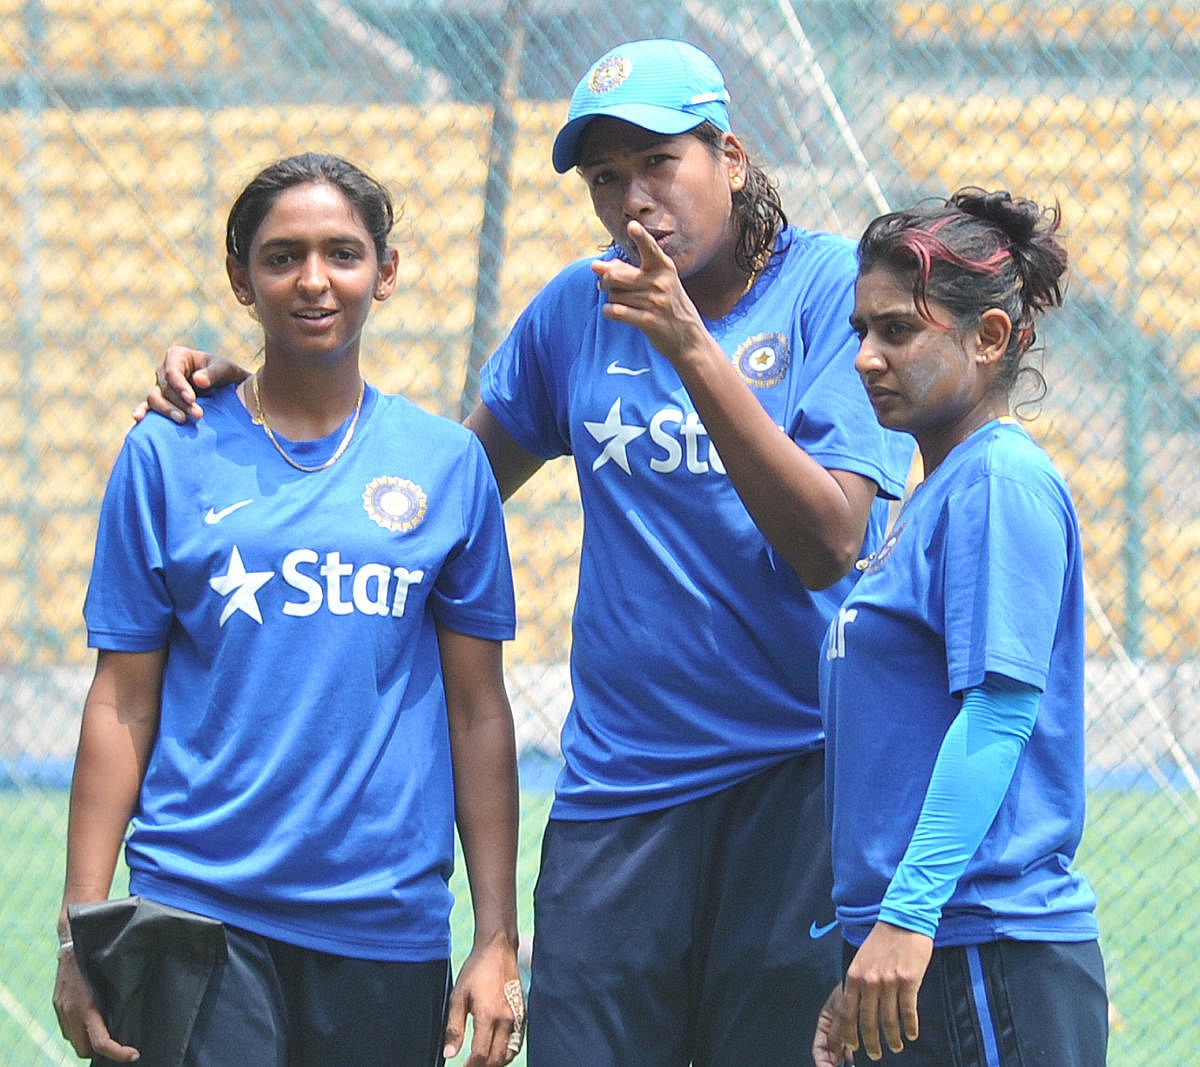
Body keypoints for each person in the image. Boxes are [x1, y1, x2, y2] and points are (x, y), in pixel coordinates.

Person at [139, 41, 914, 1066]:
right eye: (606, 178)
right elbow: (431, 499)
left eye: (658, 163)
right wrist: (263, 406)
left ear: (730, 154)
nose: (633, 199)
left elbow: (831, 541)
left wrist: (690, 347)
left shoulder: (827, 294)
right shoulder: (577, 310)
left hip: (800, 772)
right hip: (622, 782)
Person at [54, 153, 525, 1066]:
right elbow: (120, 700)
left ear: (384, 274)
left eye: (343, 253)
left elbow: (478, 711)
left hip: (386, 921)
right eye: (282, 257)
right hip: (196, 909)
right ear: (241, 279)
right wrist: (82, 924)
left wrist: (496, 933)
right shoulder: (167, 452)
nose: (314, 280)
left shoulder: (446, 463)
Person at [813, 188, 1108, 1066]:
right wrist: (872, 935)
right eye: (860, 329)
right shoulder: (925, 494)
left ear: (988, 340)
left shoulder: (997, 482)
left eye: (898, 331)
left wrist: (906, 916)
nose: (866, 357)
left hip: (980, 942)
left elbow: (999, 714)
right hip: (916, 947)